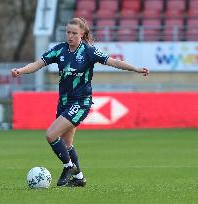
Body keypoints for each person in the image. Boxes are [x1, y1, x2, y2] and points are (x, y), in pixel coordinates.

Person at [12, 17, 149, 187]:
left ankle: (69, 167)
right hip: (64, 102)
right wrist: (21, 70)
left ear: (82, 34)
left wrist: (135, 69)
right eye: (68, 32)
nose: (70, 36)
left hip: (81, 102)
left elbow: (113, 61)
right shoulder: (60, 50)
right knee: (67, 144)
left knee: (51, 135)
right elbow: (38, 64)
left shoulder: (89, 51)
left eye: (74, 33)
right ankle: (79, 178)